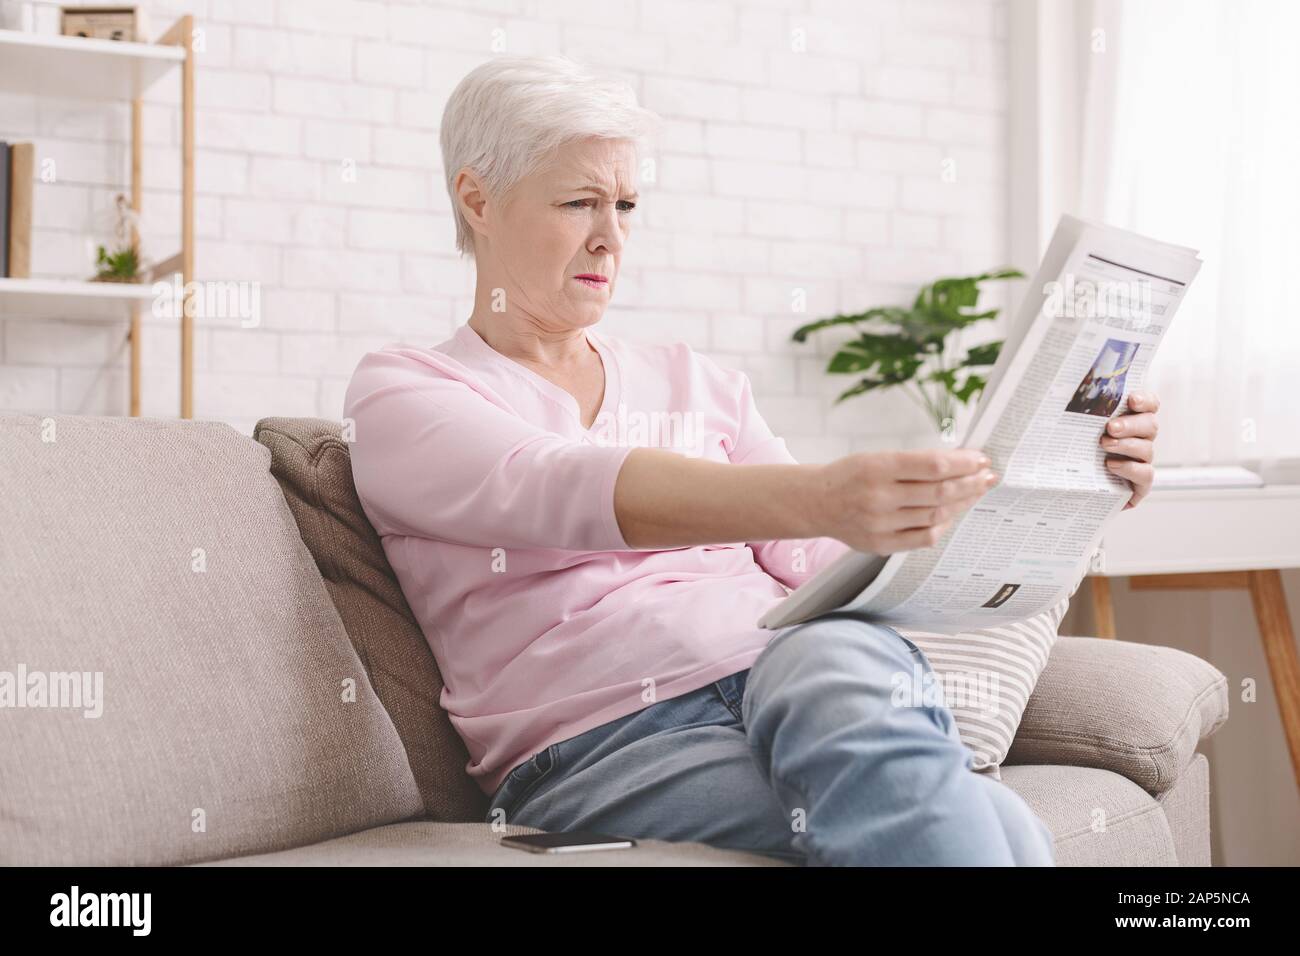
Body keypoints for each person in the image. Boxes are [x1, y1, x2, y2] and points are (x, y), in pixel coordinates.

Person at [343, 54, 1162, 865]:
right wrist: (820, 494)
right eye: (579, 201)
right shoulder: (405, 393)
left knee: (844, 662)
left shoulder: (696, 380)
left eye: (626, 203)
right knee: (993, 825)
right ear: (477, 198)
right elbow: (558, 484)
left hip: (797, 684)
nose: (612, 235)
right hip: (606, 748)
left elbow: (826, 565)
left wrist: (1071, 478)